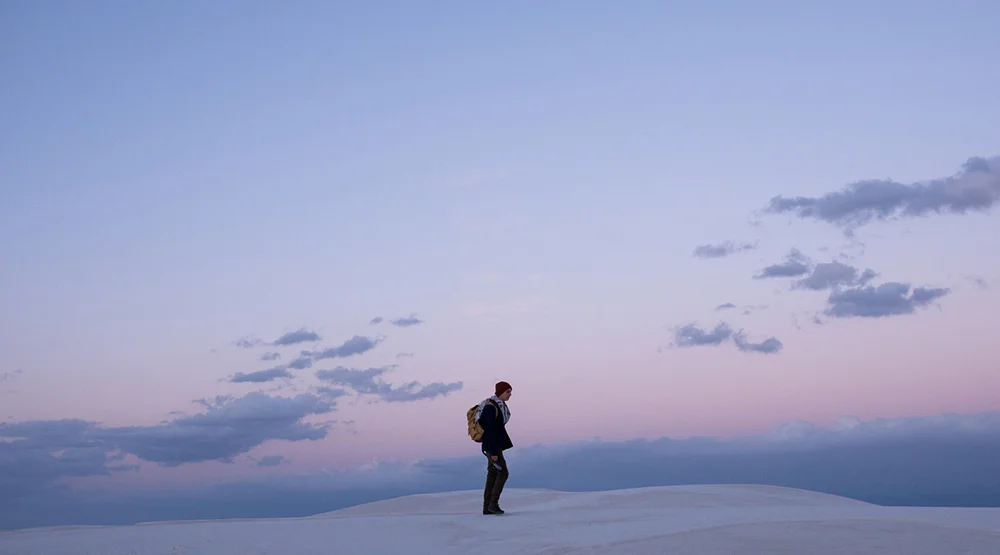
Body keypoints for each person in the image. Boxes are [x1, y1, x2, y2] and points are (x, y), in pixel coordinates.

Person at [476, 381, 513, 515]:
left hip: (492, 446)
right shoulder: (491, 408)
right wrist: (493, 452)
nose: (510, 395)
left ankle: (487, 507)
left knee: (492, 474)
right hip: (492, 447)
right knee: (503, 473)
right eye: (508, 392)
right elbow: (490, 430)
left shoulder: (496, 406)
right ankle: (493, 504)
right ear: (501, 392)